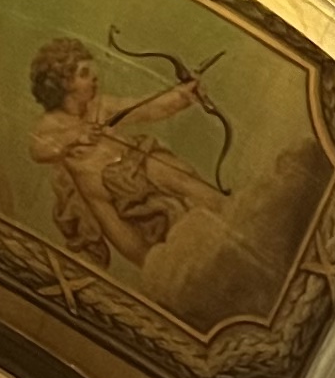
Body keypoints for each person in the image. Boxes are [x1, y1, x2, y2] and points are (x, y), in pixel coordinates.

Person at [26, 37, 223, 267]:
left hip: (138, 163)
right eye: (84, 73)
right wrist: (76, 137)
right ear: (64, 83)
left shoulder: (100, 105)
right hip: (102, 193)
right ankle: (163, 277)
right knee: (137, 249)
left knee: (184, 181)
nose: (94, 77)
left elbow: (148, 109)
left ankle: (232, 217)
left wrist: (183, 96)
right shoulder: (51, 122)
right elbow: (38, 149)